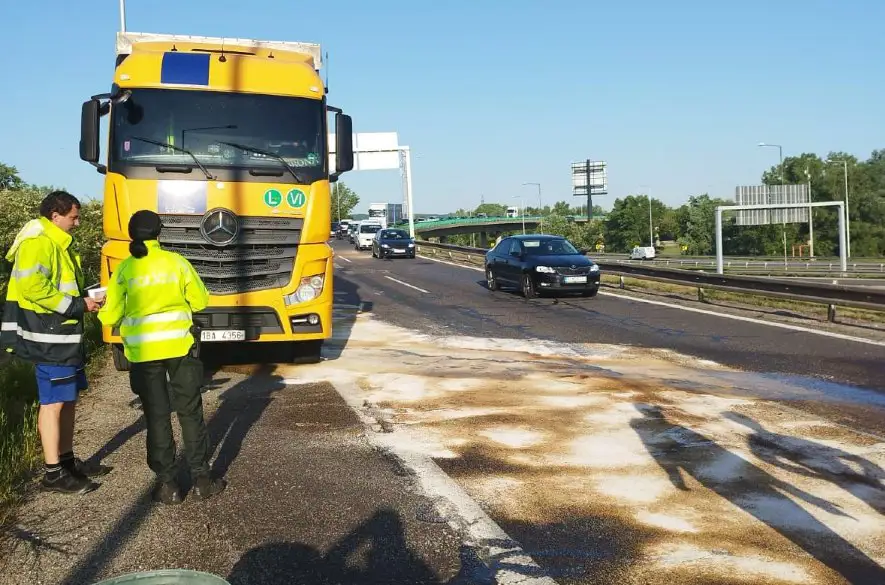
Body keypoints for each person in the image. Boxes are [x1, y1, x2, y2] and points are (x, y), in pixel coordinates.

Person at [98, 210, 225, 504]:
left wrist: (101, 308)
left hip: (143, 353)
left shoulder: (126, 269)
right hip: (180, 348)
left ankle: (168, 485)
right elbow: (201, 300)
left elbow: (111, 315)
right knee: (190, 412)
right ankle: (202, 479)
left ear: (132, 235)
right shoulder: (176, 262)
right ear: (159, 233)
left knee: (156, 416)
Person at [2, 190, 111, 494]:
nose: (77, 223)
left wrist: (86, 297)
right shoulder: (39, 242)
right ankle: (53, 474)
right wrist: (77, 305)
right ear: (55, 215)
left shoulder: (56, 242)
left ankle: (66, 461)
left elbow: (61, 285)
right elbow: (33, 287)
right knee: (53, 403)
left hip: (62, 337)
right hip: (48, 338)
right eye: (74, 217)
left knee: (68, 399)